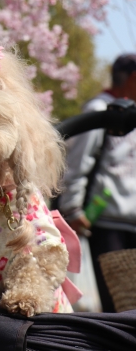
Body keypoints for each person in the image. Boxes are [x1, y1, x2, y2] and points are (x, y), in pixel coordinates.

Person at [58, 53, 136, 312]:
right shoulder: (100, 112)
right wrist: (73, 209)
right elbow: (77, 162)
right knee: (120, 305)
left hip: (132, 219)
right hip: (109, 221)